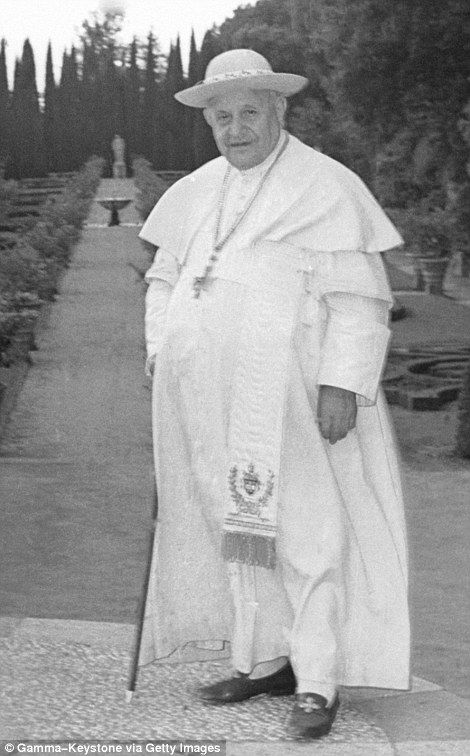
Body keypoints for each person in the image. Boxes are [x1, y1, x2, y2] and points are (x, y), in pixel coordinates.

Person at [139, 49, 410, 740]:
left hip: (291, 397)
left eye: (248, 114)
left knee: (307, 532)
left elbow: (359, 301)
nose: (235, 130)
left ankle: (318, 682)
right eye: (222, 118)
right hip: (206, 400)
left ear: (278, 112)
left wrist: (342, 384)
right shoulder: (197, 190)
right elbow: (164, 280)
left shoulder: (325, 186)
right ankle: (264, 658)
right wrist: (160, 348)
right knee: (237, 527)